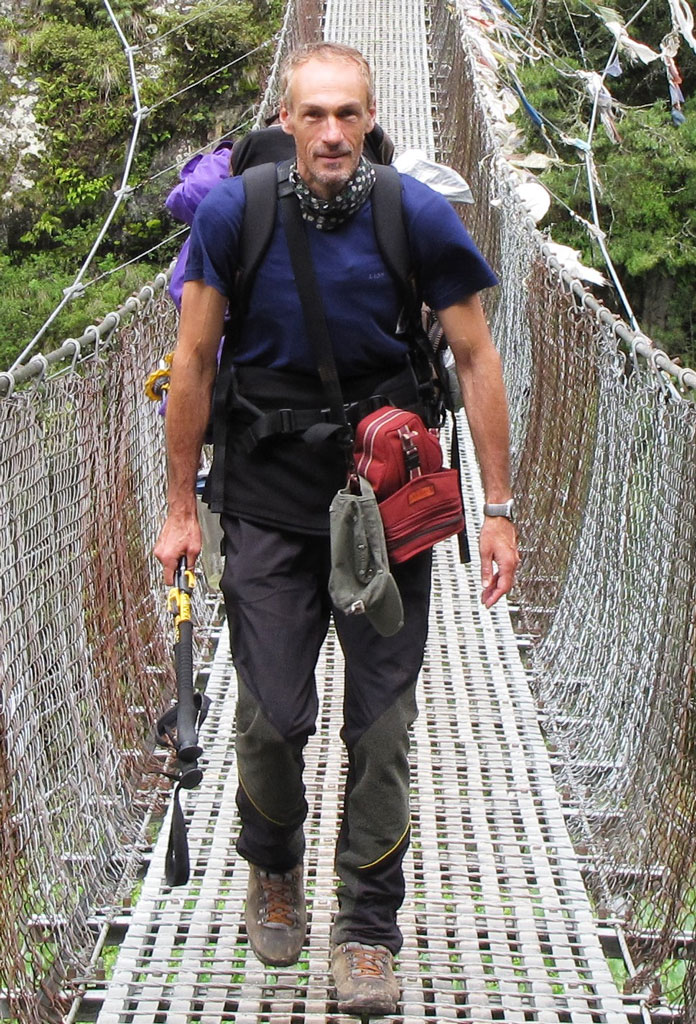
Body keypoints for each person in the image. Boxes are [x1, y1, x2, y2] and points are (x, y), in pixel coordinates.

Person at [154, 40, 519, 1018]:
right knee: (273, 711)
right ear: (286, 117)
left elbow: (477, 359)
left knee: (384, 725)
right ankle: (272, 863)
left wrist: (498, 509)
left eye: (347, 115)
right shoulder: (235, 213)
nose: (330, 133)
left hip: (387, 497)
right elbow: (192, 361)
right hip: (267, 494)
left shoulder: (416, 213)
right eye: (312, 115)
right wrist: (181, 505)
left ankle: (368, 928)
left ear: (369, 120)